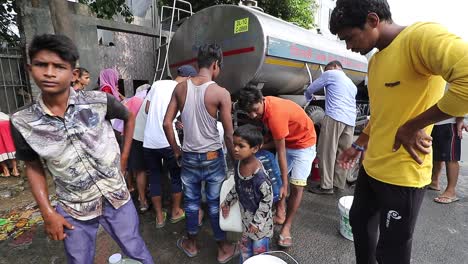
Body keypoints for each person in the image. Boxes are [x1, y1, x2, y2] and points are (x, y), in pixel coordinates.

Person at [330, 0, 468, 263]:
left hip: (403, 175)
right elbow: (382, 113)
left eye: (349, 37)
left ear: (372, 20)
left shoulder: (419, 37)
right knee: (359, 224)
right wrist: (359, 143)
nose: (349, 47)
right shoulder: (376, 61)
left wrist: (412, 125)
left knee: (391, 253)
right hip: (371, 169)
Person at [9, 34, 153, 264]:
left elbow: (129, 116)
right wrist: (47, 212)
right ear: (29, 68)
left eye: (59, 66)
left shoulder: (99, 101)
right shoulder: (22, 122)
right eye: (41, 64)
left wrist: (124, 159)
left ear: (73, 73)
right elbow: (33, 166)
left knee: (137, 250)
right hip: (73, 207)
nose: (49, 72)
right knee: (78, 260)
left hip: (117, 196)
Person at [163, 44, 238, 263]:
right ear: (215, 65)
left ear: (198, 63)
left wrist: (177, 150)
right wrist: (235, 163)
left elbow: (167, 123)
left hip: (189, 157)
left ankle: (191, 244)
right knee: (215, 204)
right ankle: (223, 248)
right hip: (213, 157)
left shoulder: (180, 88)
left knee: (192, 203)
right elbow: (229, 135)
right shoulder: (221, 93)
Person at [237, 88, 317, 248]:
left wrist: (284, 185)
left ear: (262, 100)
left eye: (255, 110)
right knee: (278, 178)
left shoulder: (275, 114)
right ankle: (280, 213)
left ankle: (286, 227)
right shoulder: (264, 107)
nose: (252, 115)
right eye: (248, 112)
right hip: (288, 142)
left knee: (296, 187)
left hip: (304, 145)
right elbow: (273, 137)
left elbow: (280, 151)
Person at [143, 65, 197, 227]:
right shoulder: (182, 89)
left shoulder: (157, 84)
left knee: (154, 177)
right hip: (168, 140)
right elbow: (185, 115)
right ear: (188, 78)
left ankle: (159, 217)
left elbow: (146, 110)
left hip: (149, 141)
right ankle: (175, 211)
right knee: (175, 176)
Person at [221, 124, 273, 263]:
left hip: (260, 227)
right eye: (234, 144)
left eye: (241, 146)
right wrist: (227, 202)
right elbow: (237, 187)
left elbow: (267, 201)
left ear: (255, 148)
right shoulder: (239, 164)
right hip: (245, 222)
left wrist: (257, 223)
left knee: (259, 254)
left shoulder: (259, 176)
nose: (235, 149)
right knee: (245, 251)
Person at [305, 60, 357, 194]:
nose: (326, 71)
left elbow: (311, 88)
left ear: (334, 67)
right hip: (350, 121)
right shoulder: (351, 83)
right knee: (342, 152)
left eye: (327, 69)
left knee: (327, 151)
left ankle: (326, 186)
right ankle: (338, 183)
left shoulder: (331, 74)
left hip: (335, 117)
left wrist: (308, 97)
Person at [429, 116, 467, 203]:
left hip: (451, 122)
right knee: (437, 153)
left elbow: (462, 102)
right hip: (434, 121)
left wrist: (461, 118)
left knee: (451, 157)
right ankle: (434, 181)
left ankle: (451, 191)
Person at [127, 84, 151, 212]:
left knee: (140, 170)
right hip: (146, 139)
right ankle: (148, 194)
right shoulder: (145, 102)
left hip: (135, 136)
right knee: (151, 170)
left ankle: (142, 201)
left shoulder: (135, 100)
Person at [0, 112, 19, 177]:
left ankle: (6, 172)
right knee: (9, 146)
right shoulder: (2, 113)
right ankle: (15, 170)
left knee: (0, 148)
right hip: (7, 122)